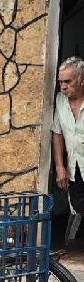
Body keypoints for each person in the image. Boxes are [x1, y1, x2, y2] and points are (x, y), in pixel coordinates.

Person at [52, 56, 84, 213]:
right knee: (78, 210)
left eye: (68, 82)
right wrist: (59, 167)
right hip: (75, 168)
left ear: (82, 80)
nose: (63, 87)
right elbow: (57, 134)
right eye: (60, 82)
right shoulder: (60, 101)